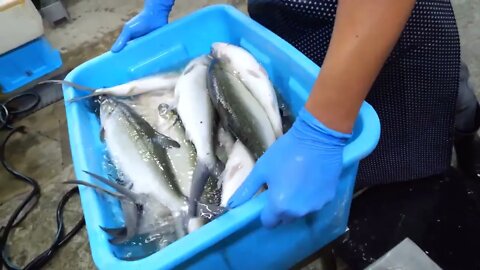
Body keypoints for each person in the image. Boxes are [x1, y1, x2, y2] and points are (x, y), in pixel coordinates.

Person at [111, 0, 480, 228]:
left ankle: (465, 138)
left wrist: (322, 131)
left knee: (418, 144)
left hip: (383, 25)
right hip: (291, 22)